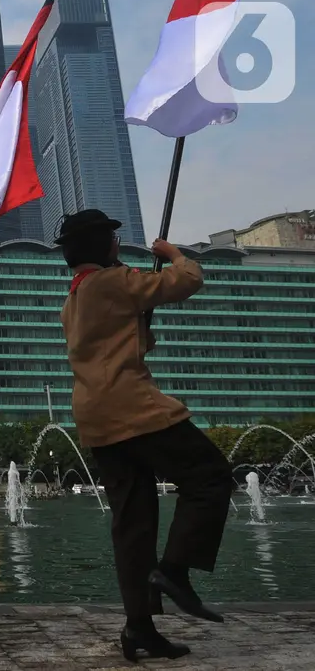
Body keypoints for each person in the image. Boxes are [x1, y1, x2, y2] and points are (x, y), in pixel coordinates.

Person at [56, 209, 233, 662]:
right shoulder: (114, 283)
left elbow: (120, 341)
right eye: (113, 239)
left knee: (133, 525)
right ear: (105, 246)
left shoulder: (74, 298)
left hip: (95, 417)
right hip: (131, 406)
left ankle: (139, 627)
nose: (118, 244)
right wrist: (172, 254)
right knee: (210, 475)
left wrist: (139, 325)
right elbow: (187, 280)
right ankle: (173, 570)